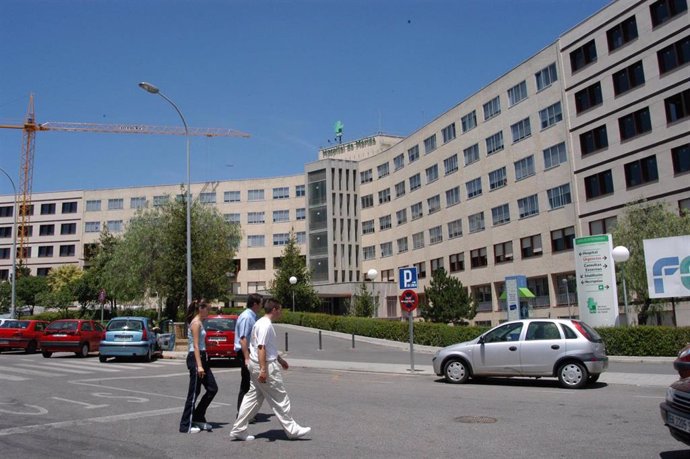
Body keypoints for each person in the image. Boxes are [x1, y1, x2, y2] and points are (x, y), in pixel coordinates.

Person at [229, 299, 311, 441]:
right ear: (274, 309)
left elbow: (265, 347)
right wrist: (263, 370)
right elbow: (261, 348)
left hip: (257, 364)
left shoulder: (259, 322)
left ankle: (238, 429)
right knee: (280, 398)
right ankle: (292, 430)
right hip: (265, 365)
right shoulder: (265, 325)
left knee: (253, 398)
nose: (281, 312)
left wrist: (280, 360)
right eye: (280, 309)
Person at [179, 299, 218, 433]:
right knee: (194, 393)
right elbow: (195, 346)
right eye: (208, 308)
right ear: (200, 309)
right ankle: (186, 425)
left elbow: (200, 344)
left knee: (212, 388)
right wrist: (200, 366)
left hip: (201, 357)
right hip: (196, 359)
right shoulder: (195, 323)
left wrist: (209, 346)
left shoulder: (201, 322)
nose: (209, 311)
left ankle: (198, 417)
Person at [234, 293, 263, 417]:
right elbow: (243, 339)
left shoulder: (252, 316)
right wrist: (247, 358)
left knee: (250, 383)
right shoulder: (247, 317)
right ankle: (242, 413)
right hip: (245, 352)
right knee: (246, 383)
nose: (262, 306)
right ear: (255, 304)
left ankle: (246, 412)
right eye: (261, 303)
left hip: (248, 352)